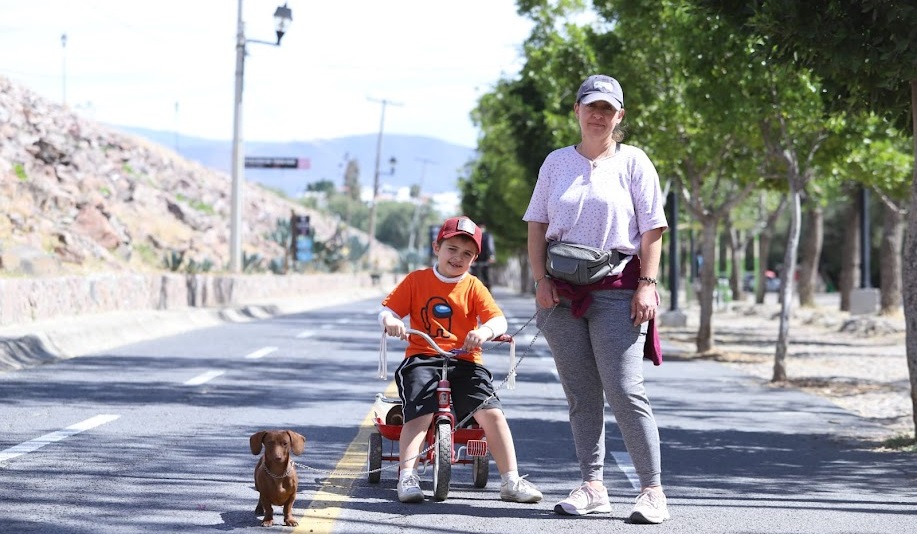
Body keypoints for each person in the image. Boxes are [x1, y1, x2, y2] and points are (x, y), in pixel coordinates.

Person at [522, 74, 670, 524]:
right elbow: (537, 225)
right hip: (561, 294)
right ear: (577, 110)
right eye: (592, 106)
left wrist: (647, 283)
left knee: (625, 390)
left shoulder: (633, 162)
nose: (599, 114)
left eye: (608, 108)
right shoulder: (556, 163)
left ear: (619, 115)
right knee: (581, 395)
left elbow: (653, 230)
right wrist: (538, 280)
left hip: (616, 291)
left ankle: (652, 491)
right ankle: (592, 485)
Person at [378, 216, 543, 505]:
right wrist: (392, 322)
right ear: (436, 247)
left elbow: (498, 319)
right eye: (451, 249)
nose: (458, 258)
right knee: (420, 413)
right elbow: (388, 311)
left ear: (475, 258)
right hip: (423, 357)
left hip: (465, 360)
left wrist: (484, 331)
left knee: (491, 413)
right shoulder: (417, 280)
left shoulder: (473, 286)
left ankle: (511, 480)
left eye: (467, 254)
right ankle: (407, 476)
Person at [470, 223, 496, 289]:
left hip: (485, 260)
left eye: (482, 227)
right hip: (475, 260)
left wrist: (491, 256)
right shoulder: (473, 236)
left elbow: (490, 246)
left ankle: (488, 293)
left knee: (486, 278)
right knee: (473, 278)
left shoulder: (487, 236)